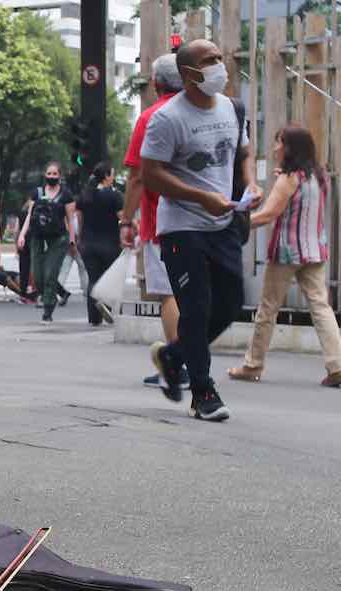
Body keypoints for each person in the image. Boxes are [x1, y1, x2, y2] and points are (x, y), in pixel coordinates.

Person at [142, 38, 261, 422]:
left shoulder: (230, 107)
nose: (219, 66)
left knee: (231, 303)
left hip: (223, 222)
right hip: (182, 228)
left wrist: (251, 184)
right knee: (196, 309)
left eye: (219, 58)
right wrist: (200, 196)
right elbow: (151, 175)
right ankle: (203, 391)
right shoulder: (167, 118)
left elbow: (243, 153)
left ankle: (173, 355)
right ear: (188, 74)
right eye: (209, 61)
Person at [227, 124, 341, 387]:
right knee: (321, 307)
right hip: (315, 249)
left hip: (286, 250)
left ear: (290, 147)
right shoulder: (319, 175)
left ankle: (252, 364)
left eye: (279, 142)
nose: (275, 148)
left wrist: (237, 222)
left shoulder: (288, 179)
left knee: (268, 309)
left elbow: (270, 214)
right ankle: (338, 365)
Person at [122, 54, 190, 389]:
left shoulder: (151, 117)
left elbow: (137, 177)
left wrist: (126, 219)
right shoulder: (205, 112)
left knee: (168, 294)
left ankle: (180, 364)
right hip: (205, 218)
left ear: (155, 83)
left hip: (160, 220)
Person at [17, 162, 76, 323]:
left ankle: (48, 309)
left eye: (54, 174)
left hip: (58, 238)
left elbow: (70, 220)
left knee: (51, 273)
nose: (51, 177)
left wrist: (72, 239)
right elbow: (29, 215)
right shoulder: (36, 193)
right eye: (49, 174)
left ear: (60, 176)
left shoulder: (66, 195)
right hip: (37, 236)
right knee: (37, 275)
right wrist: (22, 235)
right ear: (45, 175)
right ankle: (48, 296)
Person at [75, 162, 123, 326]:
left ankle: (94, 318)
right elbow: (123, 218)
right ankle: (107, 309)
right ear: (107, 176)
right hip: (109, 243)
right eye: (112, 174)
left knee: (93, 279)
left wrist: (80, 239)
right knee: (108, 279)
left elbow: (79, 220)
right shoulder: (114, 196)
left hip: (88, 244)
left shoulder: (85, 195)